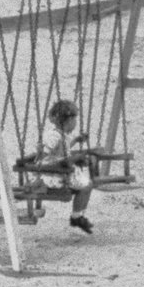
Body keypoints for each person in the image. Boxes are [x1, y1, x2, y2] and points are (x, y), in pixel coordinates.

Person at [37, 98, 95, 234]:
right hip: (55, 176)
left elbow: (63, 149)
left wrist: (76, 140)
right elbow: (44, 156)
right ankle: (76, 217)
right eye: (75, 120)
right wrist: (68, 160)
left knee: (87, 183)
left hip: (61, 173)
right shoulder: (54, 137)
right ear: (69, 121)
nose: (75, 124)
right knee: (87, 186)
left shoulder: (60, 135)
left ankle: (78, 216)